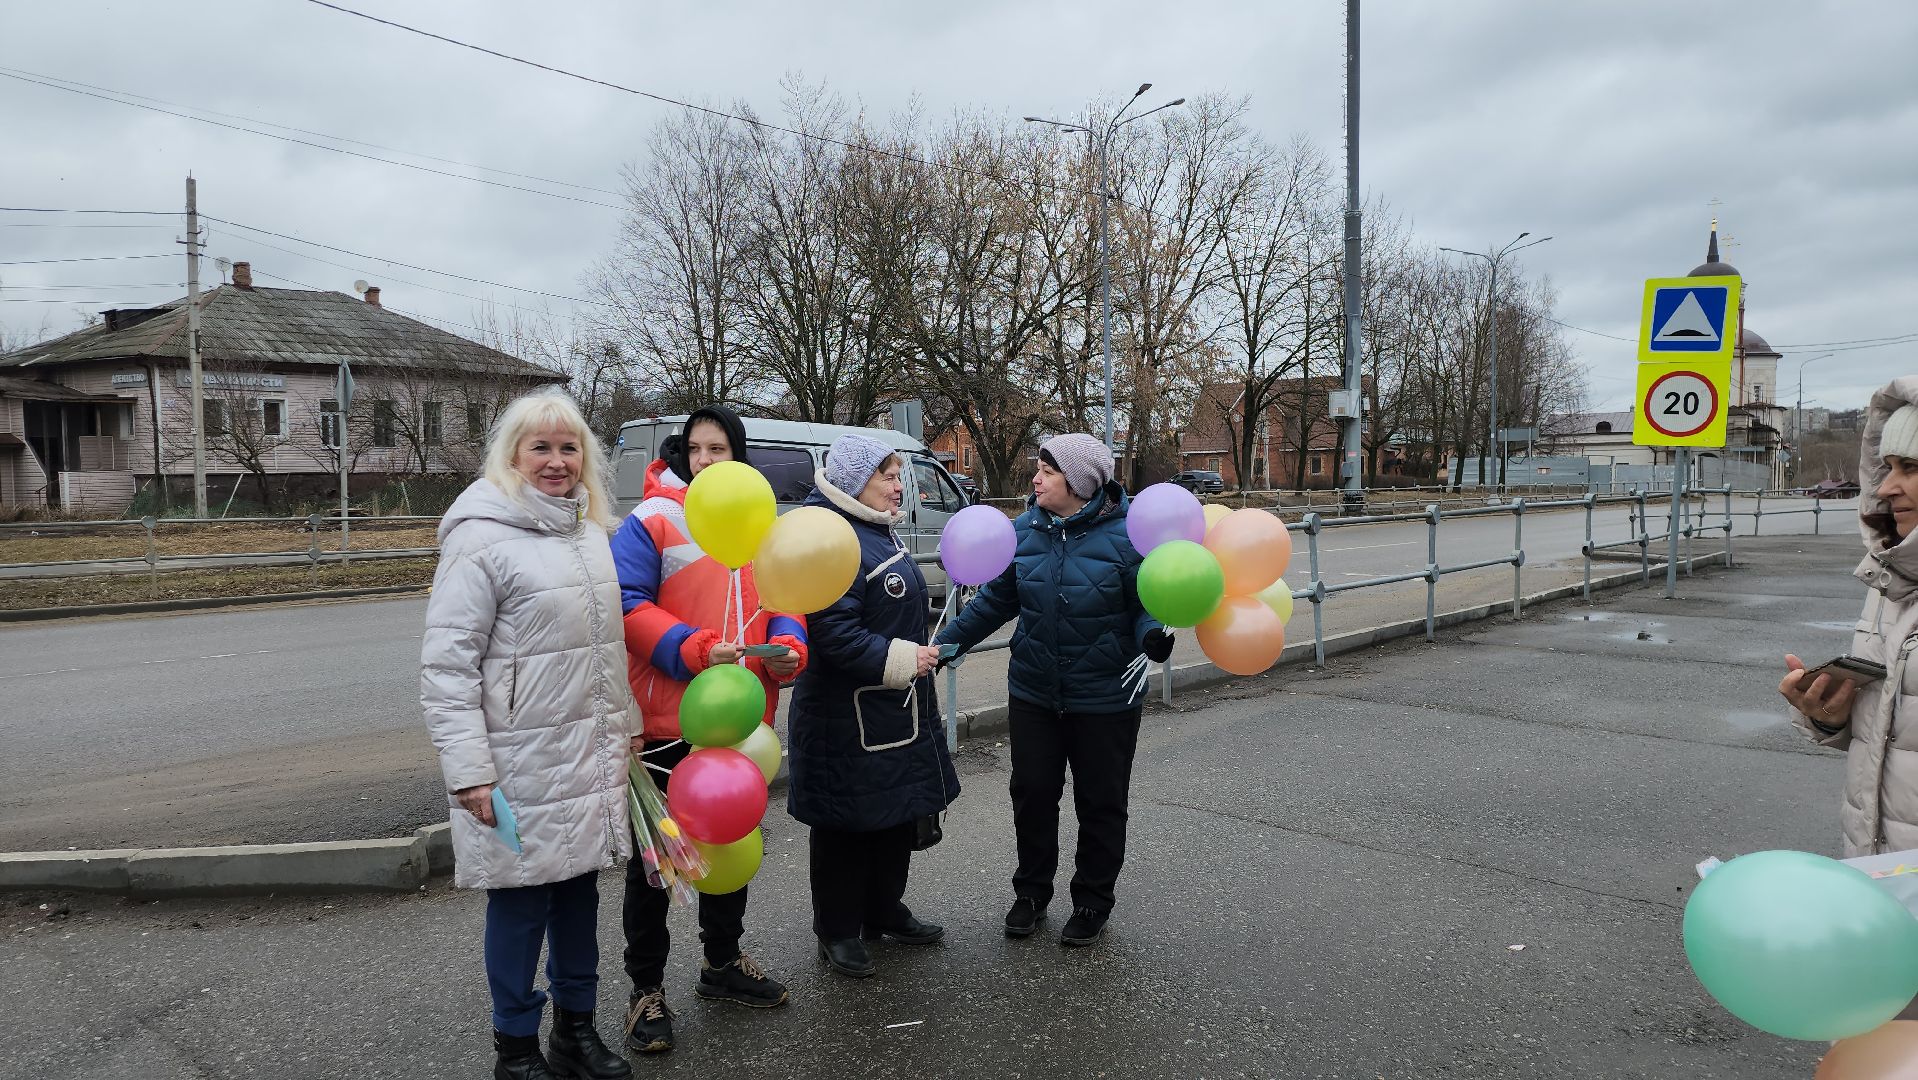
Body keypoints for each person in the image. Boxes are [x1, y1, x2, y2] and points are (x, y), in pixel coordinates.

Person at [420, 388, 636, 1080]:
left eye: (569, 447)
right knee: (519, 903)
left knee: (578, 895)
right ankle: (515, 1051)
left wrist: (626, 725)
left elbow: (608, 648)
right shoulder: (479, 537)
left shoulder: (589, 532)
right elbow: (447, 666)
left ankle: (575, 1033)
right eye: (540, 447)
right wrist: (470, 771)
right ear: (512, 454)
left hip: (586, 750)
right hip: (515, 760)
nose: (556, 461)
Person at [609, 406, 806, 1054]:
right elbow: (627, 606)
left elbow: (785, 600)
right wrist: (692, 649)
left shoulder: (761, 523)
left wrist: (790, 645)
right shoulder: (654, 520)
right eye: (695, 448)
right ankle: (646, 990)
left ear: (737, 452)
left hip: (741, 722)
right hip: (666, 722)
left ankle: (721, 964)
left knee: (729, 843)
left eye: (718, 447)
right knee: (658, 866)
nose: (705, 459)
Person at [935, 434, 1174, 947]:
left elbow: (1145, 604)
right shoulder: (1024, 531)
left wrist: (1152, 635)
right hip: (1035, 692)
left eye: (1047, 469)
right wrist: (946, 643)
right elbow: (997, 600)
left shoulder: (1129, 537)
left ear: (1080, 482)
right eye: (1038, 468)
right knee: (1033, 795)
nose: (1035, 478)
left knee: (1101, 802)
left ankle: (1092, 901)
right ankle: (1031, 893)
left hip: (1105, 696)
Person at [787, 434, 961, 978]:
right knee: (845, 825)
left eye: (897, 475)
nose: (897, 485)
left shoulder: (873, 532)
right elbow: (831, 634)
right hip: (845, 715)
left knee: (893, 816)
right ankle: (837, 930)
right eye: (886, 474)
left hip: (895, 709)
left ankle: (883, 910)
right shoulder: (829, 538)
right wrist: (905, 658)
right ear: (853, 481)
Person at [1782, 379, 1918, 857]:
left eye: (1911, 468)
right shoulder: (1894, 578)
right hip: (1881, 872)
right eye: (1888, 467)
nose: (1886, 487)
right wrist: (1831, 719)